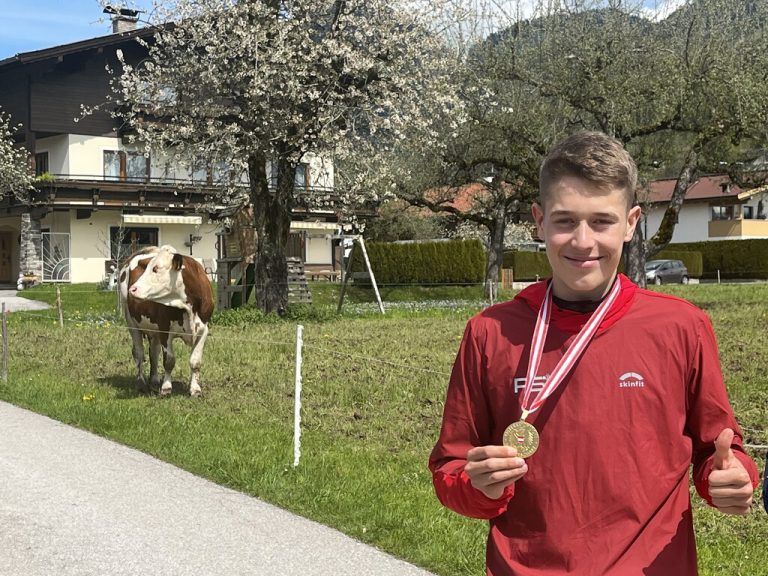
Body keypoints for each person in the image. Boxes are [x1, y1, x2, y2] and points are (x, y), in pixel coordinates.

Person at [429, 131, 759, 575]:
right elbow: (451, 466)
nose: (582, 241)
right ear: (539, 221)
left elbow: (719, 450)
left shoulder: (681, 327)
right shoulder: (490, 333)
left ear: (631, 222)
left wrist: (731, 477)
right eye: (565, 221)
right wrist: (478, 486)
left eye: (602, 221)